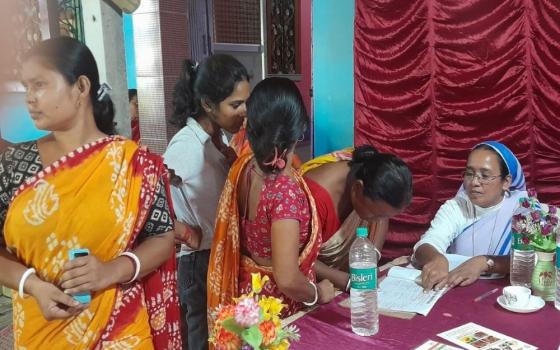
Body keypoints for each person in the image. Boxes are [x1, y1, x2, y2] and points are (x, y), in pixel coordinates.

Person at [0, 37, 180, 349]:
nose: (29, 98)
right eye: (26, 86)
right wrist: (33, 285)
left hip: (121, 331)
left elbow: (163, 238)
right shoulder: (13, 166)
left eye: (40, 84)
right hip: (41, 333)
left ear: (81, 87)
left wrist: (111, 271)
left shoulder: (133, 164)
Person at [208, 77, 336, 321]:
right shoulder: (284, 191)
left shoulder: (244, 167)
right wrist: (317, 293)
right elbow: (287, 278)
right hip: (279, 312)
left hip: (248, 300)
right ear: (297, 129)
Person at [163, 55, 250, 350]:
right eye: (235, 105)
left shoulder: (216, 142)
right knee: (203, 339)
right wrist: (187, 233)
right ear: (208, 105)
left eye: (245, 102)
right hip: (198, 261)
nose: (244, 112)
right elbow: (155, 202)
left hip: (215, 254)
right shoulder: (187, 147)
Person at [413, 141, 527, 291]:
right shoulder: (456, 207)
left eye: (484, 176)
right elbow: (427, 243)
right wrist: (436, 258)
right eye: (469, 173)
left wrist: (484, 263)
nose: (474, 182)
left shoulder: (522, 208)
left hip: (505, 293)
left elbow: (532, 259)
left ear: (506, 182)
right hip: (458, 292)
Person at [301, 146, 413, 290]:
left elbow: (382, 217)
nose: (378, 221)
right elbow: (296, 258)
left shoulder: (372, 179)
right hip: (312, 288)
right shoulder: (315, 198)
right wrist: (348, 281)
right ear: (358, 189)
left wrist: (370, 262)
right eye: (376, 215)